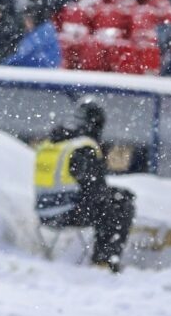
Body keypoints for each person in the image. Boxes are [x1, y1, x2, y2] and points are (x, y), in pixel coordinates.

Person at [34, 99, 135, 273]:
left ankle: (103, 258)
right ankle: (105, 261)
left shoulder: (52, 143)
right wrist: (122, 194)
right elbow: (96, 191)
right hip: (68, 214)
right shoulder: (83, 147)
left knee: (109, 201)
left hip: (44, 213)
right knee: (120, 204)